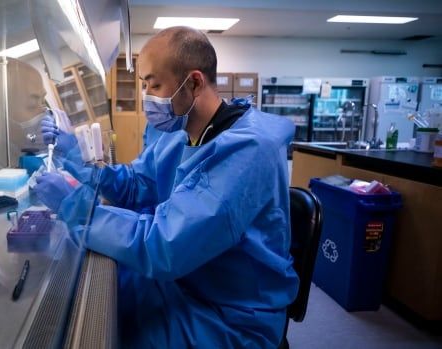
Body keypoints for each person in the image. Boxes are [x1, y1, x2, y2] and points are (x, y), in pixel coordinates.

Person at [35, 26, 298, 348]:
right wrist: (73, 152)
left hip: (230, 315)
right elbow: (135, 186)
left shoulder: (247, 151)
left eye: (155, 84)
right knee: (108, 294)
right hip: (188, 281)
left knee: (108, 332)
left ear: (194, 82)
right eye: (144, 84)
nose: (147, 96)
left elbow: (165, 245)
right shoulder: (180, 131)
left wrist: (74, 207)